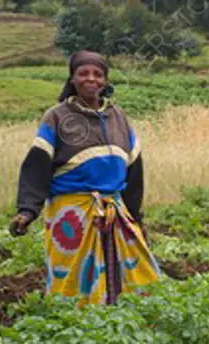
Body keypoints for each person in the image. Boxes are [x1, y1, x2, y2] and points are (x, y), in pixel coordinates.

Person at [9, 50, 160, 307]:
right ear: (72, 79)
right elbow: (37, 167)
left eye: (98, 74)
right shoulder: (57, 117)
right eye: (83, 73)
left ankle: (122, 327)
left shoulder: (119, 117)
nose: (91, 79)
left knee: (138, 276)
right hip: (73, 216)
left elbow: (134, 173)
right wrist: (27, 211)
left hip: (115, 211)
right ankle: (72, 329)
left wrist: (136, 216)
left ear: (106, 81)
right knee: (73, 282)